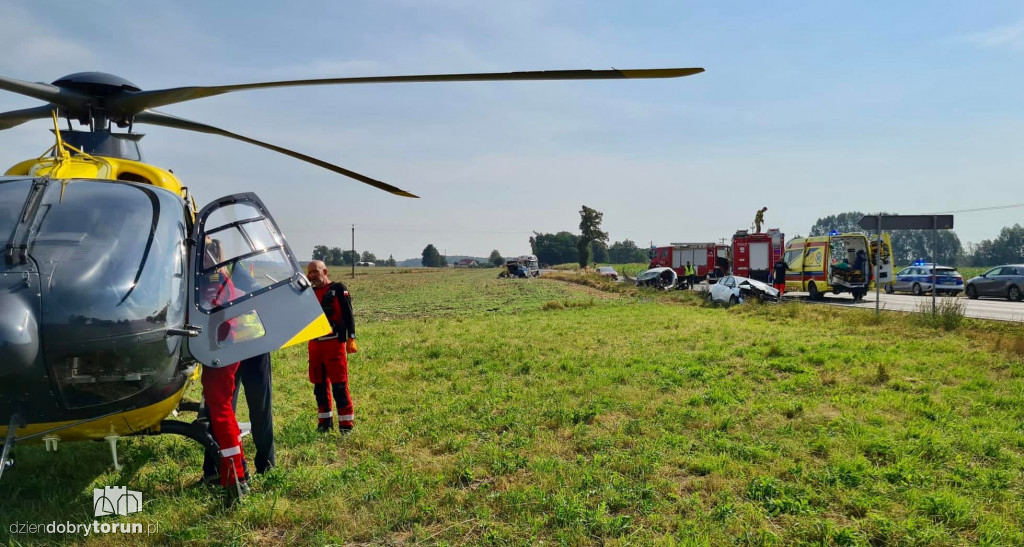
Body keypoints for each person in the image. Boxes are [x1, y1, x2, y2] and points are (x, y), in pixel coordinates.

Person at [201, 259, 275, 485]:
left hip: (252, 345)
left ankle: (266, 467)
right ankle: (214, 470)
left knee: (259, 407)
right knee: (221, 410)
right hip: (224, 347)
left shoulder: (233, 268)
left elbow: (257, 295)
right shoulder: (194, 272)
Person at [196, 238, 250, 503]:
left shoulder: (212, 280)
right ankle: (240, 471)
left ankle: (234, 477)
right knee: (222, 408)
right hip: (223, 348)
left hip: (220, 351)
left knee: (221, 410)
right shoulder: (220, 277)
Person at [306, 260, 358, 433]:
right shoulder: (308, 293)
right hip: (314, 345)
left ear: (325, 271)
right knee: (319, 386)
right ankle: (324, 423)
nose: (313, 275)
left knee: (339, 385)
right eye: (310, 272)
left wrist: (351, 337)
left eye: (315, 271)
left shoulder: (337, 289)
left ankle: (346, 425)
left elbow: (348, 314)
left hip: (334, 344)